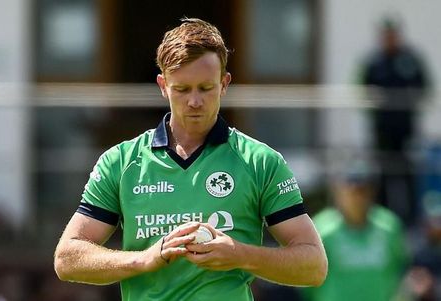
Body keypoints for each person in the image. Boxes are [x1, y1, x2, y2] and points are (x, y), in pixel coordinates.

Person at [53, 18, 327, 301]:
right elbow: (67, 259)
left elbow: (313, 266)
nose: (194, 101)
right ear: (163, 85)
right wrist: (144, 259)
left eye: (205, 88)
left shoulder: (260, 162)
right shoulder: (121, 162)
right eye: (182, 89)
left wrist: (240, 254)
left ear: (224, 83)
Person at [304, 159, 409, 301]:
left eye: (363, 190)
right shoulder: (321, 230)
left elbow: (399, 268)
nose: (357, 197)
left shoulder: (389, 226)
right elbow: (306, 281)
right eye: (351, 189)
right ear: (338, 191)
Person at [362, 17, 429, 223]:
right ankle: (383, 219)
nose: (389, 38)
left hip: (405, 129)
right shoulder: (374, 62)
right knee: (382, 175)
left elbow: (424, 87)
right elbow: (364, 91)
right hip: (383, 130)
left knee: (408, 173)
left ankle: (411, 220)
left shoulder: (410, 60)